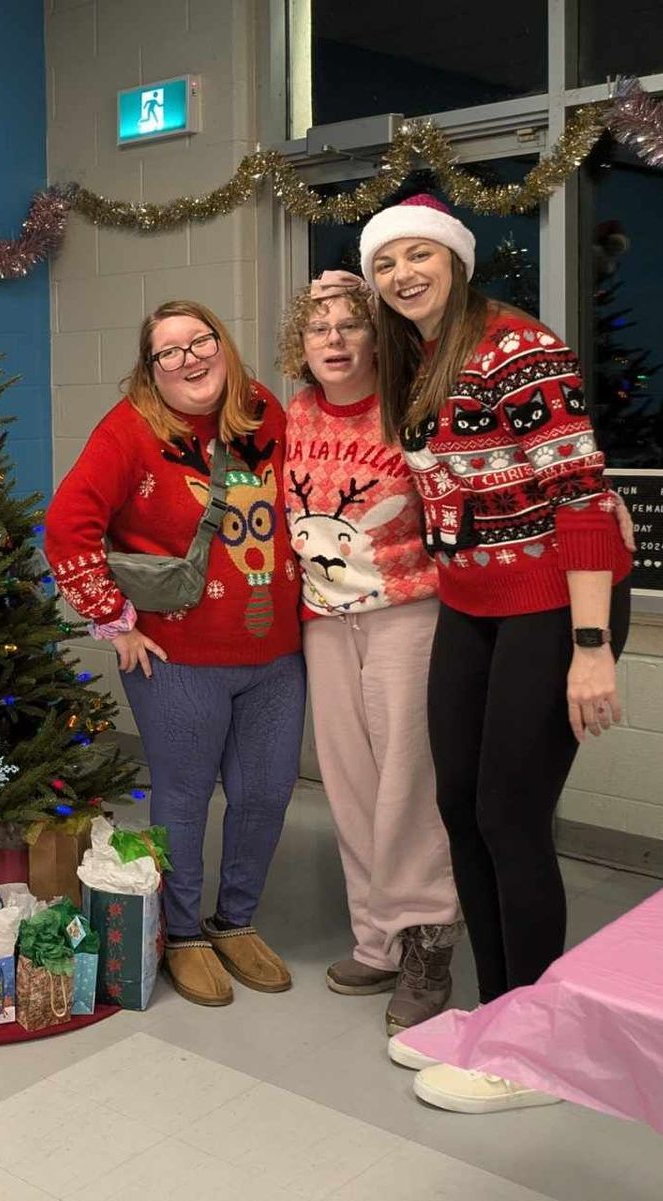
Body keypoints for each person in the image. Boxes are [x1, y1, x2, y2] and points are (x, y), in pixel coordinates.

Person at [362, 195, 633, 1114]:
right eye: (384, 261)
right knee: (459, 804)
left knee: (511, 814)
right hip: (473, 602)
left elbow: (583, 498)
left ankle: (541, 1043)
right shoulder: (420, 358)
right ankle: (497, 1011)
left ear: (455, 259)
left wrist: (591, 647)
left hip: (558, 600)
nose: (402, 273)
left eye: (417, 254)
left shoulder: (516, 346)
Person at [45, 300, 306, 1008]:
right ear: (150, 368)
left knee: (265, 793)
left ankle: (237, 919)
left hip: (277, 655)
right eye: (169, 351)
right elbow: (67, 528)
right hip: (179, 659)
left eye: (202, 341)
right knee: (185, 800)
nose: (190, 358)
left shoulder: (262, 412)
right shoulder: (129, 431)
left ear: (224, 344)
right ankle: (184, 931)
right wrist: (115, 621)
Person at [278, 272, 461, 1036]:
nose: (334, 339)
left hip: (406, 613)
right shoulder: (293, 412)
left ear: (377, 336)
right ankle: (376, 939)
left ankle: (429, 941)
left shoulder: (411, 409)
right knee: (349, 782)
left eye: (351, 324)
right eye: (319, 326)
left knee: (407, 785)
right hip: (324, 620)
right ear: (302, 342)